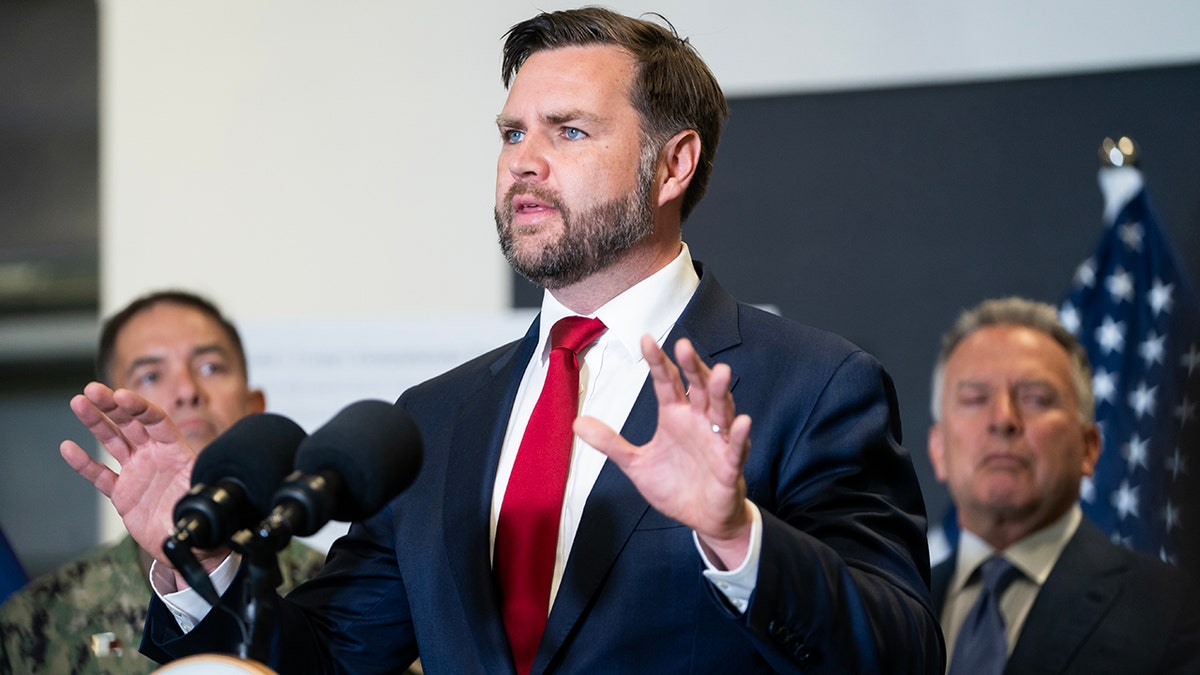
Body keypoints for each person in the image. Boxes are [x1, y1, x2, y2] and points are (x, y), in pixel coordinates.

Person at [63, 9, 941, 673]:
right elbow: (323, 657)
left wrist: (737, 534)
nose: (524, 160)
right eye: (513, 133)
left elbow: (903, 652)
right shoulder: (436, 421)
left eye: (569, 131)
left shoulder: (814, 384)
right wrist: (203, 556)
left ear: (674, 164)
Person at [0, 290, 327, 675]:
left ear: (254, 408)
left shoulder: (336, 589)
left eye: (210, 368)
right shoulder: (33, 624)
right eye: (151, 375)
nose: (187, 391)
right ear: (108, 421)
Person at [927, 297, 1200, 674]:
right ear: (938, 450)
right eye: (975, 399)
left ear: (1089, 449)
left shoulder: (1173, 611)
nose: (1004, 419)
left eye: (1036, 398)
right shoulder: (889, 606)